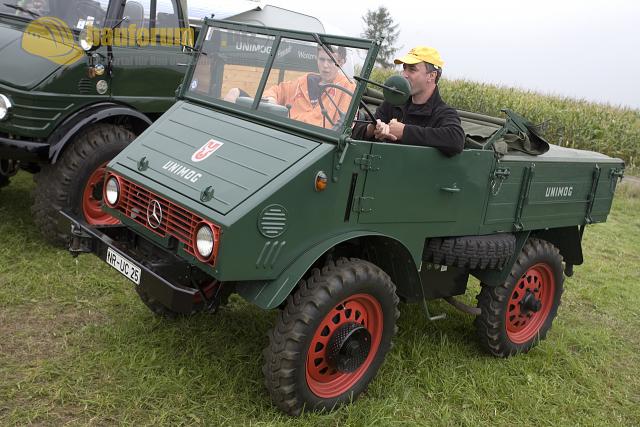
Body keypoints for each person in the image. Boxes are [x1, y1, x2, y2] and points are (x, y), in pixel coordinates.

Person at [354, 46, 464, 156]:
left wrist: (404, 132)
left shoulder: (443, 113)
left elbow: (456, 139)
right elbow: (358, 130)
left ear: (431, 76)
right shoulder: (394, 102)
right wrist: (374, 128)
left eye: (412, 69)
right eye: (404, 68)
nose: (404, 74)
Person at [224, 45, 355, 129]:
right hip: (284, 133)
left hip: (315, 143)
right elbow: (278, 90)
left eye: (331, 61)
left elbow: (342, 126)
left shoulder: (347, 87)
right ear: (316, 59)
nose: (325, 65)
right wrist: (270, 98)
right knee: (233, 93)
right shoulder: (304, 81)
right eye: (322, 60)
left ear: (341, 62)